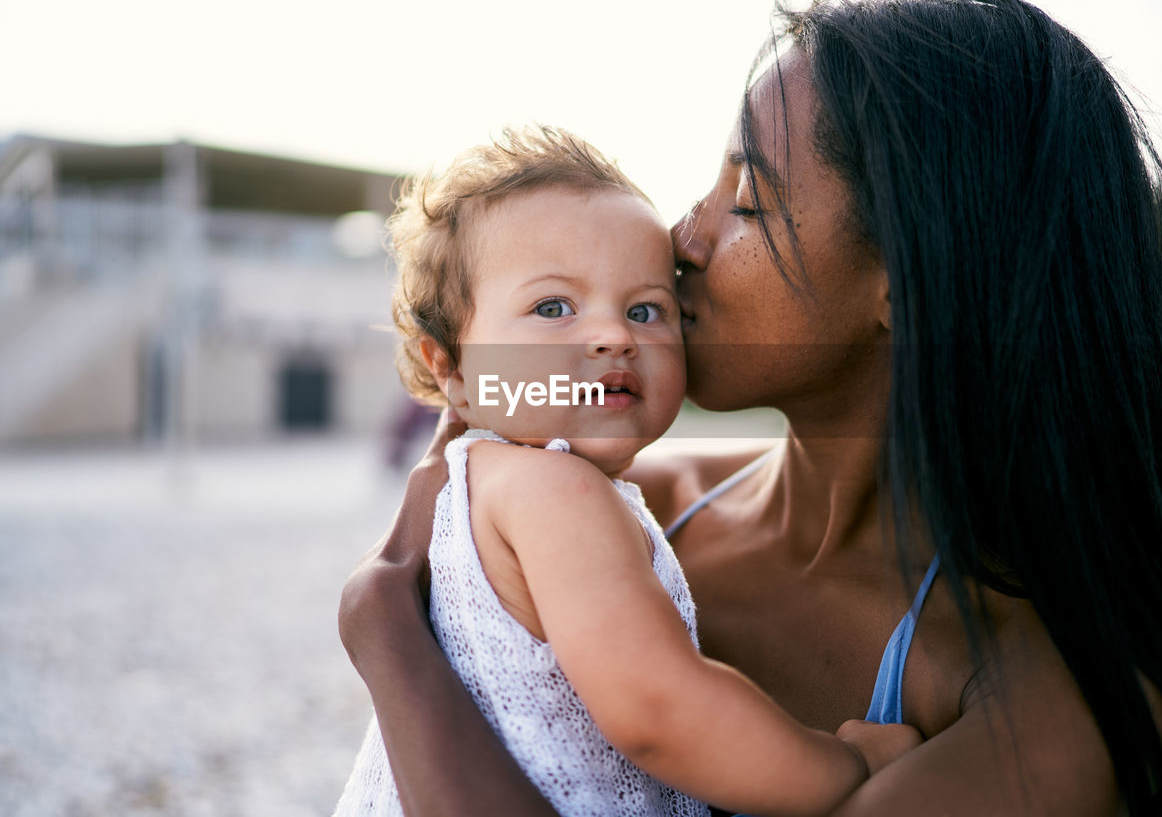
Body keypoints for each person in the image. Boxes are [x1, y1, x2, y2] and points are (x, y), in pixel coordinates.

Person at [338, 0, 1162, 816]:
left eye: (745, 202)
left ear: (906, 280)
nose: (680, 236)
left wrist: (387, 638)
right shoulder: (634, 502)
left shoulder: (1074, 682)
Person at [334, 125, 921, 817]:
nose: (614, 335)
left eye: (646, 309)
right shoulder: (555, 491)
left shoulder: (488, 485)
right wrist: (845, 761)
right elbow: (658, 706)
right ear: (452, 370)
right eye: (553, 307)